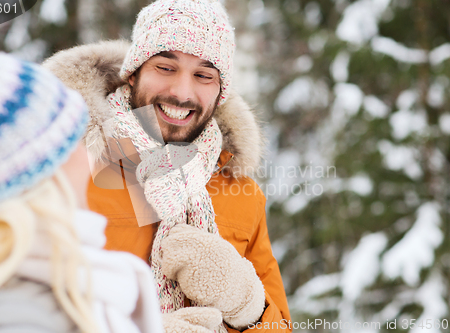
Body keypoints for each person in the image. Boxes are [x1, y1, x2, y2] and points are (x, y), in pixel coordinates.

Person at [43, 0, 292, 332]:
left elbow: (281, 327)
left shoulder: (239, 189)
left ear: (220, 92)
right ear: (133, 73)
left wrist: (248, 305)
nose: (182, 92)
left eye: (203, 75)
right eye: (165, 67)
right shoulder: (69, 170)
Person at [0, 33, 163, 333]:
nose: (88, 159)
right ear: (36, 173)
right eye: (73, 142)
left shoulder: (22, 286)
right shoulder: (20, 316)